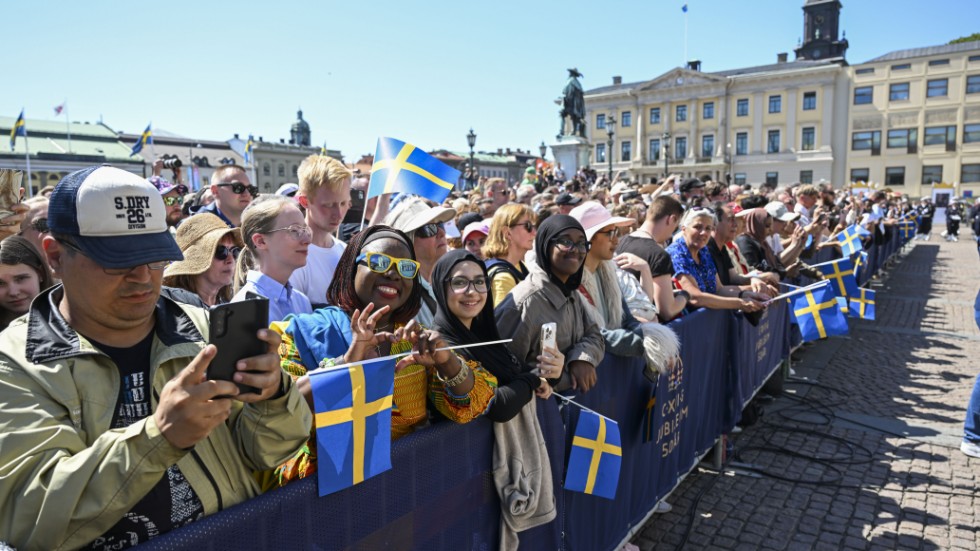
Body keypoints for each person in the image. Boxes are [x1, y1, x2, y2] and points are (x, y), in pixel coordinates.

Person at [0, 165, 310, 550]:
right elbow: (29, 517)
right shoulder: (15, 363)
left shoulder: (200, 326)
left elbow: (265, 453)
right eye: (117, 261)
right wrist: (160, 437)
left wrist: (274, 397)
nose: (143, 278)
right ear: (55, 255)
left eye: (155, 258)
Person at [270, 226, 498, 484]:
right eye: (379, 262)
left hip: (401, 493)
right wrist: (347, 363)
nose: (393, 274)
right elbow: (278, 417)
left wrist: (447, 362)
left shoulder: (414, 342)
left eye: (406, 268)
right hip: (323, 498)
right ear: (351, 268)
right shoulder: (299, 334)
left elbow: (472, 407)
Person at [430, 249, 561, 421]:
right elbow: (497, 405)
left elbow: (518, 373)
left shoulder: (483, 337)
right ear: (441, 287)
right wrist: (534, 380)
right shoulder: (439, 347)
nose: (472, 291)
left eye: (479, 281)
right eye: (460, 282)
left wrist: (552, 370)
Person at [495, 215, 605, 392]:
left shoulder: (571, 292)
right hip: (535, 412)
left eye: (581, 243)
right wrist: (549, 379)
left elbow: (595, 335)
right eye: (565, 241)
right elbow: (499, 369)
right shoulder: (524, 302)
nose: (575, 249)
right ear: (546, 245)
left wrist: (581, 358)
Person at [667, 208, 768, 312]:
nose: (703, 233)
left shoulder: (704, 251)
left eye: (708, 228)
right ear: (684, 229)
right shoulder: (676, 253)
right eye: (697, 227)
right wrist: (740, 303)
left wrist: (746, 295)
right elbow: (695, 298)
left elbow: (719, 289)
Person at [232, 196, 313, 324]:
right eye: (294, 230)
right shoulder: (244, 308)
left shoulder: (301, 301)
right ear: (261, 241)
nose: (307, 240)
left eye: (305, 230)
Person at [289, 155, 352, 308]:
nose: (339, 214)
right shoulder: (292, 257)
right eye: (329, 205)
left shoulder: (345, 251)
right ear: (304, 201)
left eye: (344, 203)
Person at [383, 197, 456, 327]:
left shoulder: (443, 283)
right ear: (406, 242)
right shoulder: (402, 296)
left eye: (440, 224)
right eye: (429, 229)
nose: (441, 233)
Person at [616, 195, 689, 322]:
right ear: (671, 219)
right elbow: (666, 311)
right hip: (646, 330)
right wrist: (685, 295)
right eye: (675, 226)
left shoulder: (620, 242)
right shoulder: (658, 254)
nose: (672, 233)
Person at [162, 213, 244, 308]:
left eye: (235, 251)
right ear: (195, 259)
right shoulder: (174, 309)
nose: (230, 259)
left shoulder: (232, 303)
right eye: (221, 251)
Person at [708, 203, 779, 295]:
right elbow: (718, 290)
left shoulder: (722, 247)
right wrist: (752, 289)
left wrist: (755, 280)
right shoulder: (707, 249)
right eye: (730, 219)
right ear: (715, 223)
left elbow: (734, 278)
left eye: (735, 219)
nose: (735, 224)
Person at [483, 203, 536, 307]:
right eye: (528, 226)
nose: (534, 232)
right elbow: (504, 321)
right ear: (507, 233)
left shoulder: (519, 265)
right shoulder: (503, 278)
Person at [0, 236, 54, 331]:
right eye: (0, 284)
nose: (13, 292)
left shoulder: (74, 319)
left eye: (21, 278)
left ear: (40, 273)